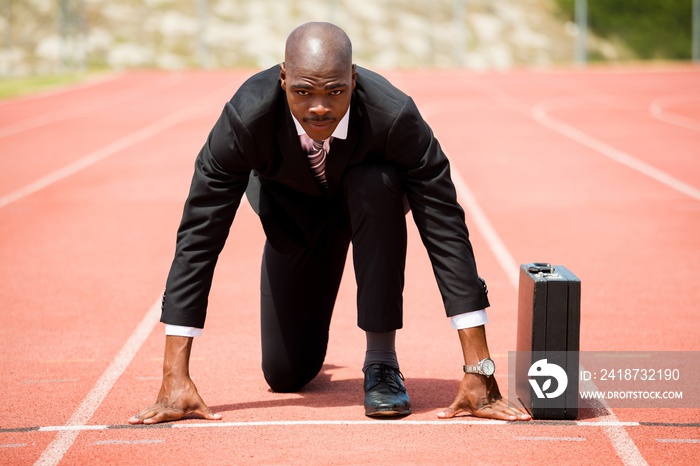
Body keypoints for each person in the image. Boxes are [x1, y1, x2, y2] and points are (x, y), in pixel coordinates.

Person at [129, 22, 530, 425]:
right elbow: (200, 235)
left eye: (335, 92)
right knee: (286, 375)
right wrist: (174, 374)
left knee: (374, 181)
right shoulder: (244, 119)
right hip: (294, 219)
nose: (319, 107)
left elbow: (444, 224)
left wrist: (480, 368)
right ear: (283, 79)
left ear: (353, 80)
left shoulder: (395, 116)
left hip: (373, 208)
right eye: (303, 92)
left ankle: (382, 363)